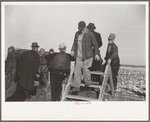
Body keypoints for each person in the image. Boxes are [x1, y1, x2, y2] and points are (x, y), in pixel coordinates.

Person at [70, 21, 100, 93]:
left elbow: (96, 45)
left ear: (84, 27)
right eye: (79, 28)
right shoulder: (77, 34)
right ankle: (76, 87)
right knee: (77, 71)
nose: (80, 30)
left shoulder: (90, 34)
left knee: (85, 70)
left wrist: (96, 54)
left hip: (88, 56)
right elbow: (74, 43)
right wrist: (72, 50)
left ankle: (87, 83)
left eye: (81, 28)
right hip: (79, 56)